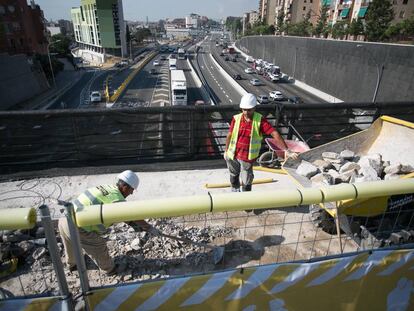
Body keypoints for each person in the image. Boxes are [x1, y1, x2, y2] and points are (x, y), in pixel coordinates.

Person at [58, 170, 151, 276]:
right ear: (125, 186)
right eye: (131, 190)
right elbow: (131, 214)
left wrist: (134, 224)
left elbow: (122, 214)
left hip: (64, 218)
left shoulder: (107, 188)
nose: (132, 193)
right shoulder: (116, 198)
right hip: (77, 226)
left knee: (70, 244)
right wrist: (148, 227)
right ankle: (109, 269)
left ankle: (73, 264)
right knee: (98, 245)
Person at [224, 93, 298, 194]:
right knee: (233, 174)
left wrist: (286, 150)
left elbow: (274, 133)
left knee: (247, 179)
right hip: (232, 154)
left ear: (254, 108)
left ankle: (246, 198)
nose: (246, 112)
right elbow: (229, 135)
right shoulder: (236, 119)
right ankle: (235, 189)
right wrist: (226, 150)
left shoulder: (260, 120)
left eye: (249, 110)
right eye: (244, 109)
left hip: (246, 157)